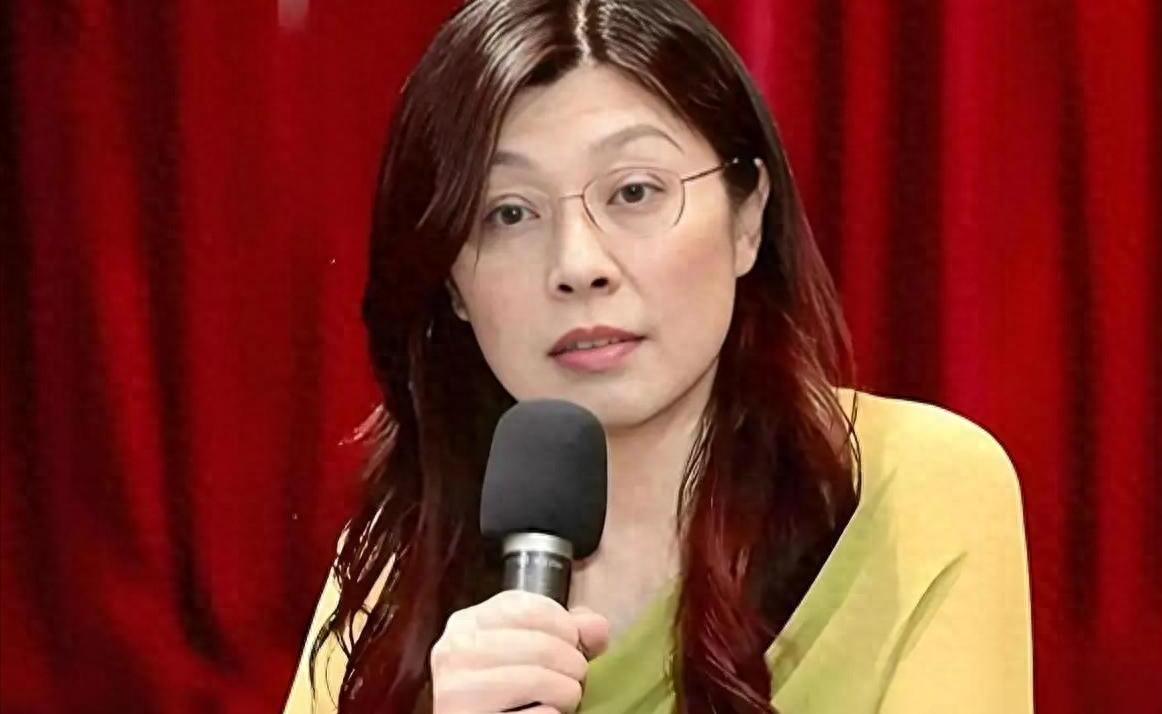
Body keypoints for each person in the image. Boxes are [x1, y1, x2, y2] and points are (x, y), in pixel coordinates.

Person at [282, 0, 1033, 712]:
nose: (578, 265)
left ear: (747, 217)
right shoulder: (398, 562)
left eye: (635, 192)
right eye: (508, 213)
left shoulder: (913, 490)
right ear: (451, 282)